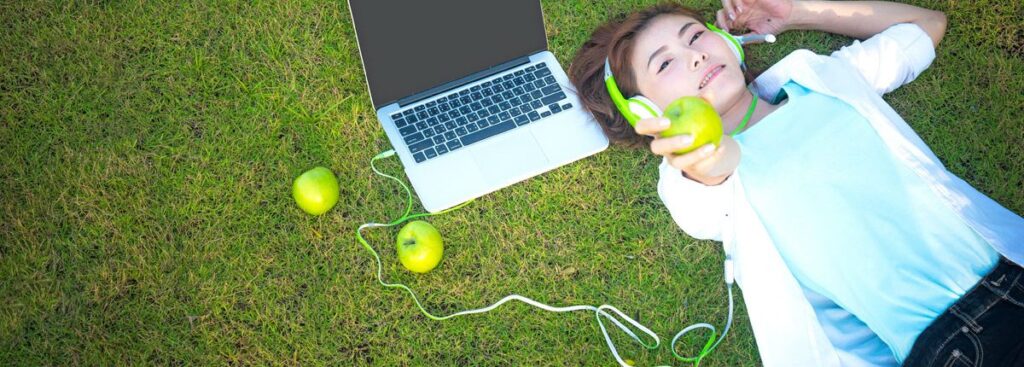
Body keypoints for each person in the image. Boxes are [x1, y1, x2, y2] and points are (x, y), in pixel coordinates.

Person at [568, 1, 1024, 366]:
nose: (695, 55)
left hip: (1014, 269)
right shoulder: (689, 179)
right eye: (665, 65)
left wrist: (797, 12)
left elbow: (924, 26)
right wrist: (710, 156)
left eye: (696, 36)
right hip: (950, 348)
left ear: (728, 39)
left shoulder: (819, 77)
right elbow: (706, 182)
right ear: (645, 113)